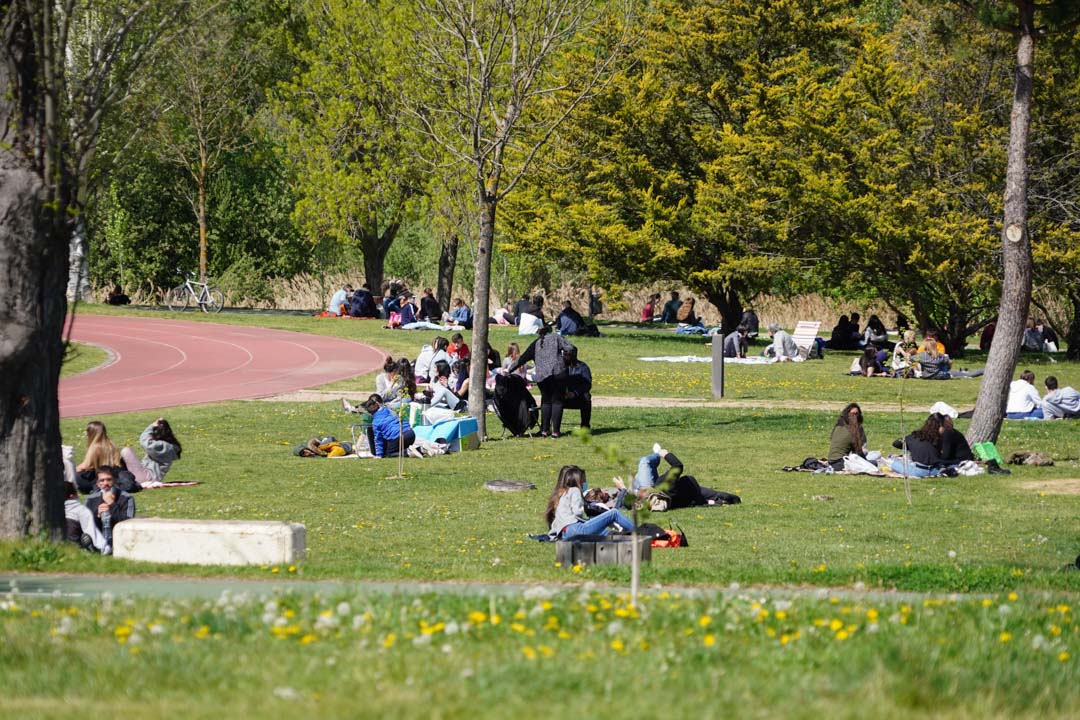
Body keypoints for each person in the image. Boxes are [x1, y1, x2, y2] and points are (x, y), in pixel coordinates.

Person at [505, 325, 574, 438]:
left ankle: (544, 431)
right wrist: (567, 362)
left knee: (546, 401)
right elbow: (570, 348)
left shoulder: (536, 344)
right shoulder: (556, 338)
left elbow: (522, 358)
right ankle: (556, 432)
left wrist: (509, 370)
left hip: (542, 377)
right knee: (557, 402)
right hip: (558, 373)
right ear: (549, 331)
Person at [632, 444, 740, 508]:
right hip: (688, 491)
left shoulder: (680, 498)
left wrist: (710, 502)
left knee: (645, 464)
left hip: (656, 490)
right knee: (644, 461)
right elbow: (677, 466)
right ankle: (657, 454)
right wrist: (664, 453)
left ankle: (655, 456)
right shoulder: (667, 483)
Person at [546, 465, 634, 539]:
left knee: (603, 532)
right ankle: (640, 531)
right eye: (583, 480)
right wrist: (582, 509)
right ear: (578, 482)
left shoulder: (561, 495)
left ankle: (625, 535)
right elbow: (577, 512)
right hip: (576, 530)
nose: (585, 483)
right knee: (614, 513)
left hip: (565, 535)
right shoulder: (575, 490)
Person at [85, 466, 136, 555]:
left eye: (109, 480)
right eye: (102, 480)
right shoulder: (91, 499)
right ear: (97, 483)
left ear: (115, 481)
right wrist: (97, 515)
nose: (106, 483)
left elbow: (127, 523)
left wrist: (112, 505)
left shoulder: (127, 498)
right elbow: (85, 525)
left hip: (119, 539)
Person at [120, 418, 182, 487]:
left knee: (126, 451)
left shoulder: (164, 447)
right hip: (148, 476)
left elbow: (144, 441)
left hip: (147, 477)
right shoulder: (169, 446)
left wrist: (152, 426)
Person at [887, 413, 946, 477]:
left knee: (892, 462)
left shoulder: (914, 437)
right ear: (940, 426)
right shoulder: (940, 438)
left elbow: (896, 443)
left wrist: (911, 446)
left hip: (918, 471)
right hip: (936, 471)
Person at [75, 421, 123, 494]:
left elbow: (84, 466)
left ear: (91, 433)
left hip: (97, 478)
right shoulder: (111, 444)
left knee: (76, 476)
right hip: (112, 477)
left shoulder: (95, 447)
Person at [64, 480, 106, 553]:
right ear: (72, 496)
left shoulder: (50, 510)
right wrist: (104, 548)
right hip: (75, 548)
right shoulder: (80, 510)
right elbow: (91, 531)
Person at [827, 403, 867, 470]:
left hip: (831, 461)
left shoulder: (839, 425)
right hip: (841, 463)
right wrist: (867, 462)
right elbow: (858, 452)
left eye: (856, 414)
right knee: (875, 459)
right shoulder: (853, 430)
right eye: (853, 414)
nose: (855, 416)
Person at [563, 347, 592, 430]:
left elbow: (587, 384)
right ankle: (553, 429)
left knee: (586, 397)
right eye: (565, 354)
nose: (567, 357)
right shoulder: (560, 367)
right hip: (562, 396)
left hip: (578, 397)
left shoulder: (583, 367)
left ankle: (585, 427)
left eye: (569, 354)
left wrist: (575, 393)